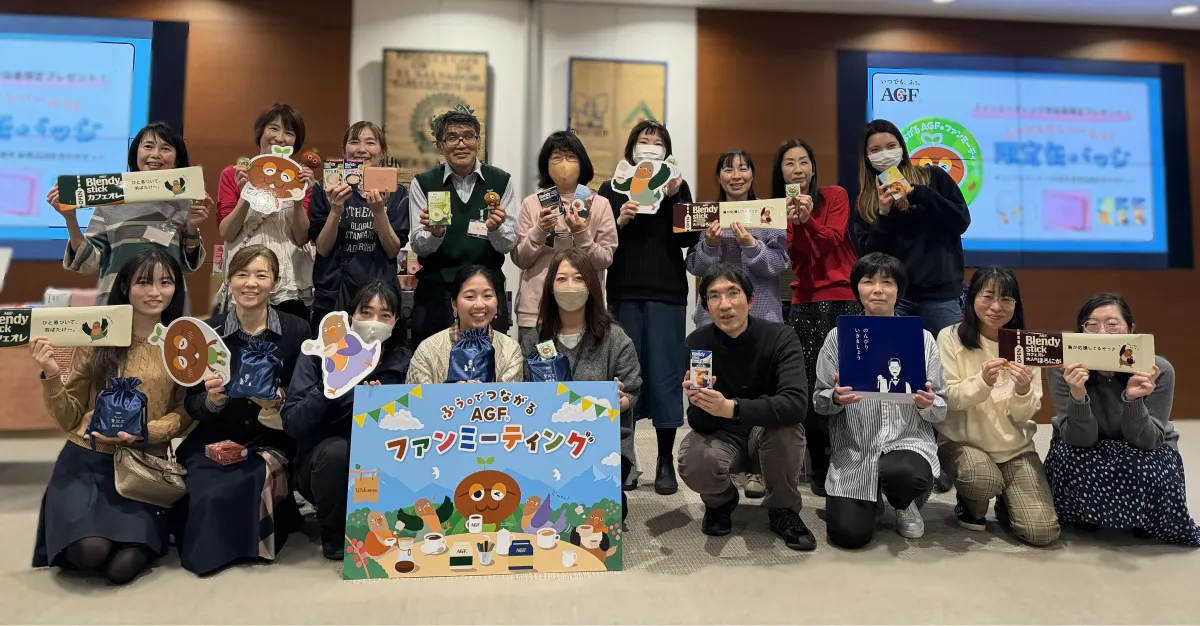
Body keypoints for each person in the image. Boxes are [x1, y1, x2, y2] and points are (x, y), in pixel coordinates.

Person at [31, 248, 191, 584]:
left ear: (176, 288)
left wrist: (144, 432)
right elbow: (69, 418)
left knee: (121, 569)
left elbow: (184, 413)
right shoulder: (97, 335)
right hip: (87, 461)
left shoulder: (181, 344)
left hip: (143, 468)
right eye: (143, 282)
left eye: (165, 282)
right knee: (90, 551)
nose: (154, 292)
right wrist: (51, 374)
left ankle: (143, 532)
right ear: (124, 287)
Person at [177, 245, 311, 575]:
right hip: (216, 438)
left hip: (271, 438)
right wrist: (213, 401)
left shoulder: (296, 330)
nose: (250, 283)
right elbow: (192, 402)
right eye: (241, 274)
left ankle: (249, 542)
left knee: (249, 478)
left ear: (275, 283)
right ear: (229, 280)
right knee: (209, 488)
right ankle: (214, 548)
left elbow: (305, 393)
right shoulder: (208, 332)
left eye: (261, 275)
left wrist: (278, 399)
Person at [813, 252, 947, 548]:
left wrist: (928, 403)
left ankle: (904, 504)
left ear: (899, 290)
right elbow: (819, 402)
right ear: (856, 289)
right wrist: (835, 397)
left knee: (903, 475)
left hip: (906, 443)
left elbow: (941, 409)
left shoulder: (922, 338)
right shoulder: (838, 337)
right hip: (856, 451)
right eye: (868, 281)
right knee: (849, 535)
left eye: (887, 282)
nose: (877, 290)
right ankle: (870, 496)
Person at [676, 264, 814, 550]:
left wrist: (732, 408)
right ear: (706, 306)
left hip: (767, 432)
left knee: (788, 430)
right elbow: (700, 423)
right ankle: (721, 502)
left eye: (733, 293)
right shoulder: (698, 343)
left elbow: (796, 405)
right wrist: (699, 403)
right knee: (694, 460)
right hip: (723, 433)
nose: (724, 304)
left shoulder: (781, 337)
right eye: (714, 296)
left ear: (750, 300)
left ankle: (783, 509)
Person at [1044, 294, 1199, 546]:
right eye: (1091, 325)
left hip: (1144, 443)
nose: (1102, 334)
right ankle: (1085, 515)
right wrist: (1078, 394)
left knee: (1149, 464)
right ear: (1081, 332)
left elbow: (1149, 441)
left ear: (1130, 329)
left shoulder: (1158, 370)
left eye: (1112, 325)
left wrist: (1133, 400)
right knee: (1069, 456)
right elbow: (1078, 439)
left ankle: (1145, 519)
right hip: (1085, 443)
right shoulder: (1064, 368)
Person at [597, 119, 696, 496]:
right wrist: (620, 220)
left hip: (667, 291)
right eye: (644, 140)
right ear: (632, 146)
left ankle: (664, 459)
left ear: (666, 150)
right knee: (624, 374)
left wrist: (674, 198)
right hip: (623, 289)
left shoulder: (677, 183)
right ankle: (626, 458)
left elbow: (689, 238)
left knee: (665, 374)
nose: (650, 146)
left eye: (657, 141)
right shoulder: (612, 186)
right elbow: (600, 240)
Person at [282, 280, 411, 560]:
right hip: (323, 460)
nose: (374, 322)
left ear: (395, 322)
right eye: (366, 312)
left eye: (385, 315)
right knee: (338, 453)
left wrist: (381, 403)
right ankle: (335, 532)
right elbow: (292, 422)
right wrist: (330, 386)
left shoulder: (402, 361)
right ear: (350, 316)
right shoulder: (319, 354)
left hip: (382, 453)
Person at [686, 149, 788, 499]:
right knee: (715, 388)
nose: (736, 175)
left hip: (763, 319)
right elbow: (697, 267)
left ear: (752, 174)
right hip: (715, 324)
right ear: (719, 177)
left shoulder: (769, 213)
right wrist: (710, 244)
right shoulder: (708, 214)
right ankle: (722, 461)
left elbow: (777, 265)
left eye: (743, 168)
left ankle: (758, 467)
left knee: (763, 392)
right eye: (728, 169)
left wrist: (751, 244)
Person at [937, 267, 1059, 547]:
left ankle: (1008, 501)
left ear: (1016, 305)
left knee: (1042, 532)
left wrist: (1023, 390)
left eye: (1006, 299)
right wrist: (982, 382)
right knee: (981, 478)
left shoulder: (1026, 343)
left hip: (1015, 449)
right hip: (963, 444)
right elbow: (948, 399)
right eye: (988, 296)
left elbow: (1026, 413)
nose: (996, 306)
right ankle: (970, 504)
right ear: (972, 299)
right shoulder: (950, 337)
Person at [519, 247, 641, 509]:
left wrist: (622, 401)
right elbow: (524, 398)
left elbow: (632, 390)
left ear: (591, 287)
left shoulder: (615, 338)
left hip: (604, 446)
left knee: (599, 513)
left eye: (579, 279)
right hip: (549, 443)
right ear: (550, 288)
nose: (570, 286)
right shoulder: (533, 339)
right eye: (561, 279)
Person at [777, 138, 860, 497]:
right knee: (809, 381)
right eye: (789, 163)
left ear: (812, 168)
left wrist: (807, 220)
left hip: (843, 297)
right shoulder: (779, 209)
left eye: (803, 162)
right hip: (805, 300)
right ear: (781, 172)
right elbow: (797, 257)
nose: (797, 169)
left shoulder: (835, 195)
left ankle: (849, 453)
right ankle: (818, 459)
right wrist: (795, 222)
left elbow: (832, 240)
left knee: (847, 379)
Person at [47, 122, 209, 304]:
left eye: (166, 148)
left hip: (165, 303)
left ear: (177, 159)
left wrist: (192, 228)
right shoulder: (110, 198)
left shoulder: (185, 202)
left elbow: (188, 265)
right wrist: (70, 218)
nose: (155, 154)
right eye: (148, 146)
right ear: (136, 153)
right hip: (117, 302)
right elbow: (89, 262)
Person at [408, 107, 515, 347]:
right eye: (452, 138)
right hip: (437, 295)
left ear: (478, 142)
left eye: (468, 136)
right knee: (433, 364)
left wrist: (496, 229)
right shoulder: (424, 183)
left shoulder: (501, 181)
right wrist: (435, 234)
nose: (461, 144)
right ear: (440, 145)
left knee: (488, 362)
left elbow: (508, 244)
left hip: (485, 297)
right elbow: (418, 245)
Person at [853, 119, 969, 336]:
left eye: (891, 146)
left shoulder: (933, 177)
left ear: (902, 148)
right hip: (896, 299)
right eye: (876, 150)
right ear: (867, 157)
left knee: (951, 354)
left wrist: (920, 193)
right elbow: (870, 258)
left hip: (941, 296)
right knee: (893, 355)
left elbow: (961, 221)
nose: (885, 154)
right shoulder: (866, 201)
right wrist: (883, 215)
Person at [512, 131, 617, 347]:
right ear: (546, 165)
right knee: (537, 368)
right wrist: (539, 230)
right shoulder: (532, 203)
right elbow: (521, 259)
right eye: (556, 158)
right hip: (537, 311)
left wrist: (581, 234)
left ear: (582, 163)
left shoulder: (599, 204)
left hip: (585, 311)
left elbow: (604, 260)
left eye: (571, 157)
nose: (564, 164)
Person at [215, 103, 317, 321]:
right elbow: (227, 232)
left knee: (291, 336)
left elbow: (301, 238)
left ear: (295, 141)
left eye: (289, 132)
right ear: (260, 133)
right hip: (246, 277)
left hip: (289, 280)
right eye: (273, 128)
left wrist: (299, 197)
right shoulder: (234, 174)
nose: (280, 138)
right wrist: (247, 192)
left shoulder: (301, 178)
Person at [309, 121, 410, 333]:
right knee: (332, 351)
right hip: (334, 292)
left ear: (382, 152)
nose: (362, 149)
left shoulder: (396, 192)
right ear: (344, 150)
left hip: (378, 296)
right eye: (354, 142)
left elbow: (393, 249)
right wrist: (335, 211)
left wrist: (379, 212)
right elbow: (323, 248)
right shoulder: (325, 188)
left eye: (370, 143)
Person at [408, 266, 524, 384]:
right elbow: (414, 395)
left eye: (487, 296)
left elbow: (510, 394)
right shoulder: (428, 350)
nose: (479, 305)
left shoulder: (510, 350)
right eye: (470, 297)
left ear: (497, 302)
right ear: (454, 304)